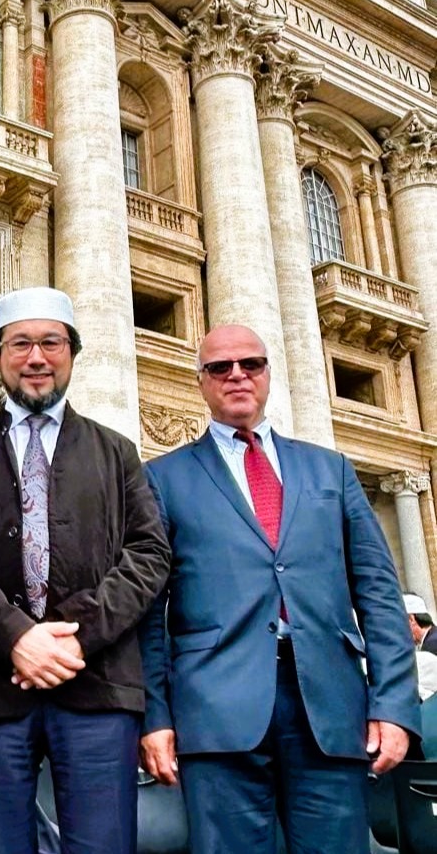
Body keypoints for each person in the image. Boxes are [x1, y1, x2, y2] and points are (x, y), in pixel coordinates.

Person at [139, 324, 420, 854]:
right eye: (220, 367)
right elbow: (149, 613)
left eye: (251, 364)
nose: (237, 375)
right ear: (201, 382)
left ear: (268, 374)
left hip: (330, 706)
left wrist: (393, 705)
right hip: (215, 712)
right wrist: (155, 716)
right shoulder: (162, 478)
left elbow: (379, 594)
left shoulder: (331, 469)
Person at [0, 287, 171, 854]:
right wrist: (17, 638)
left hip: (98, 686)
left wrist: (76, 637)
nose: (36, 358)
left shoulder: (117, 452)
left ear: (72, 352)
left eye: (51, 343)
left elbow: (149, 553)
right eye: (21, 344)